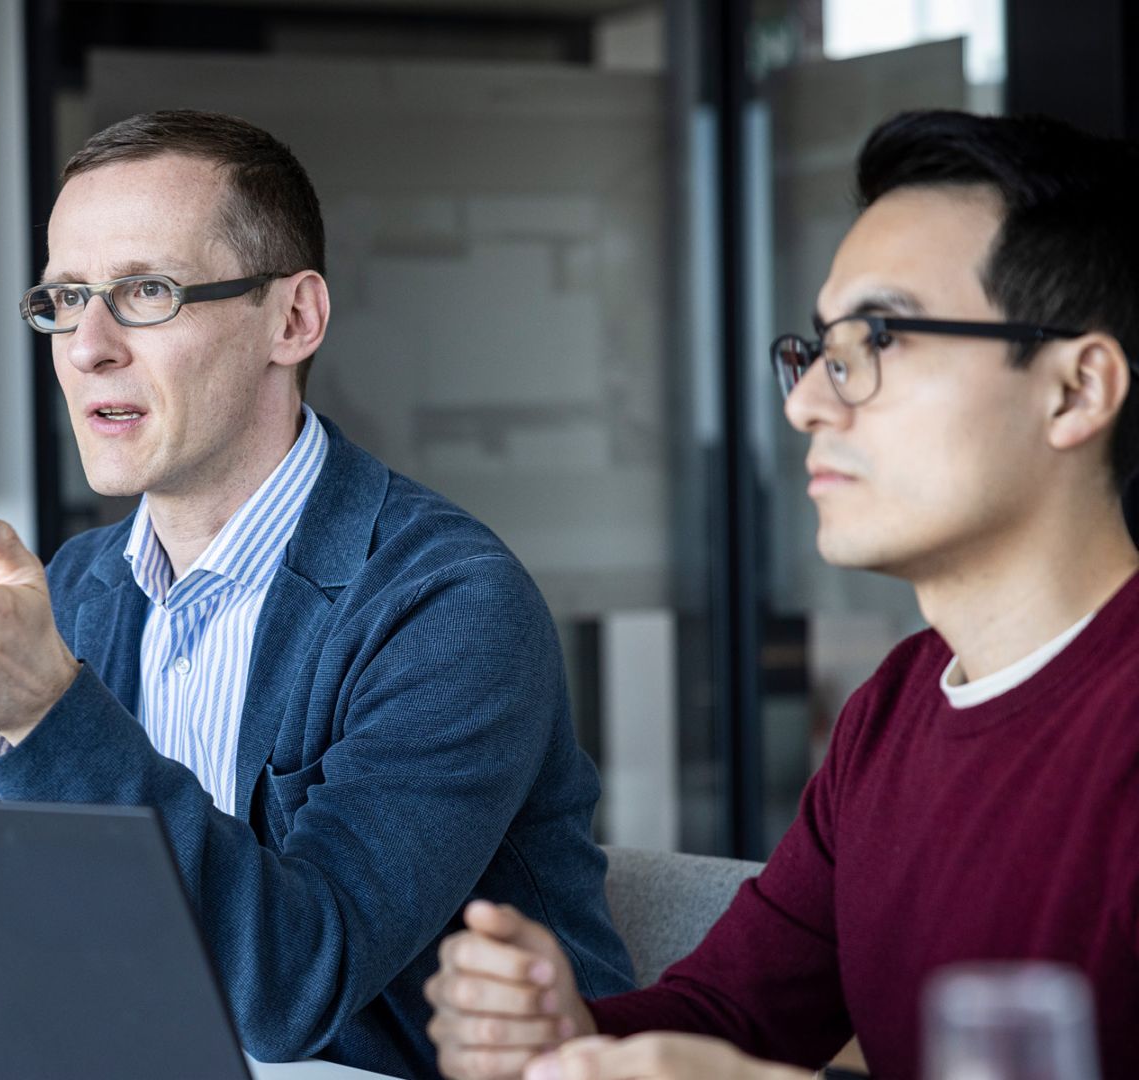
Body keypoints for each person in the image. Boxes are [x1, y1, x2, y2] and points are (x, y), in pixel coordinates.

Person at [0, 110, 633, 1080]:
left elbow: (296, 985)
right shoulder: (83, 585)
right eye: (64, 298)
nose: (87, 346)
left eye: (145, 291)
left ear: (292, 320)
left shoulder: (451, 607)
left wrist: (51, 716)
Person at [423, 110, 1139, 1080]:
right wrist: (565, 1038)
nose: (806, 403)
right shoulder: (891, 710)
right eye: (820, 350)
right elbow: (734, 1012)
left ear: (1074, 391)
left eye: (876, 339)